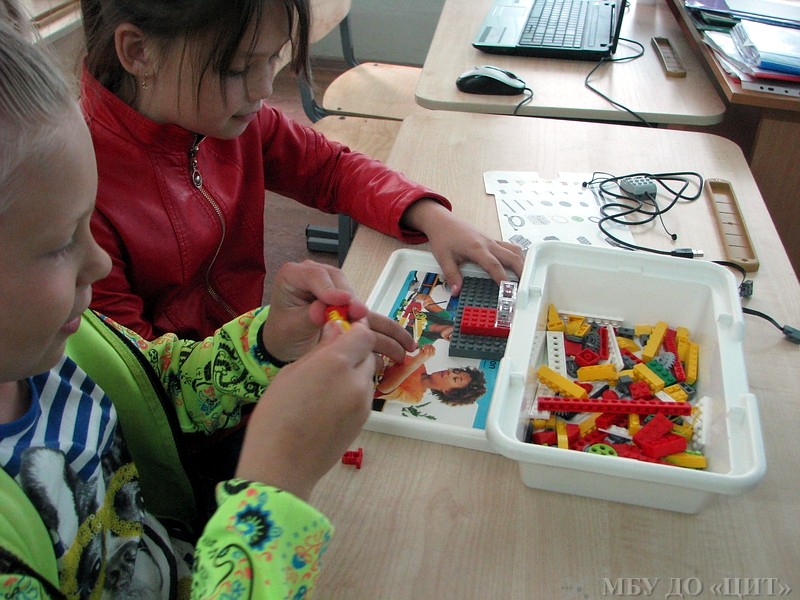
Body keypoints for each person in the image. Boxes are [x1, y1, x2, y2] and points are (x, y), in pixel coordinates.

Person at [0, 7, 414, 597]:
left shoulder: (59, 348)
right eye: (63, 242)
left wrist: (266, 342)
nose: (98, 262)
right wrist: (276, 485)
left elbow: (153, 387)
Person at [79, 0, 525, 340]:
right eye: (236, 69)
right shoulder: (79, 198)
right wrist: (267, 349)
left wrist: (429, 214)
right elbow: (141, 378)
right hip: (194, 408)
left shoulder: (230, 120)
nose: (264, 88)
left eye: (273, 58)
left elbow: (331, 168)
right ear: (138, 51)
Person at [375, 345, 487, 406]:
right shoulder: (421, 366)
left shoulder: (415, 396)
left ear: (448, 391)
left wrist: (416, 362)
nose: (450, 372)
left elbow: (381, 390)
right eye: (456, 371)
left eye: (455, 379)